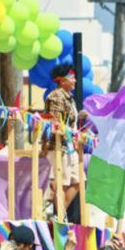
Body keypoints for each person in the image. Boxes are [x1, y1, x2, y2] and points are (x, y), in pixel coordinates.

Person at [43, 63, 81, 212]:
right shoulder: (57, 96)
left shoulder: (69, 98)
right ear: (62, 80)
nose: (75, 81)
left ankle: (61, 213)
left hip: (70, 147)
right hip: (59, 146)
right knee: (61, 183)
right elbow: (55, 123)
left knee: (78, 181)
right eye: (72, 77)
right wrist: (71, 133)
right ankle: (60, 216)